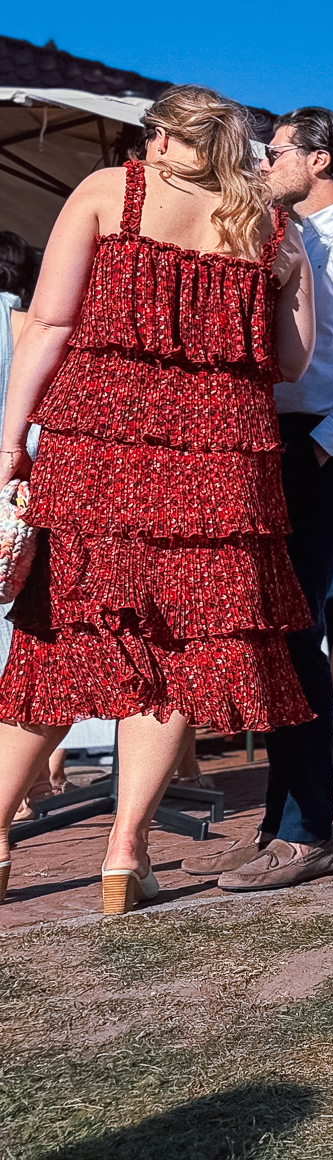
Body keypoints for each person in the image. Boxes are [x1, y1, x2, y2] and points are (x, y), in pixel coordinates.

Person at [0, 87, 317, 912]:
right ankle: (124, 851)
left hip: (99, 443)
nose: (145, 146)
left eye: (151, 133)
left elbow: (48, 324)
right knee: (185, 642)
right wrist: (288, 280)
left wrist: (10, 442)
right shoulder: (271, 225)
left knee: (60, 634)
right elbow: (291, 362)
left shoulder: (110, 191)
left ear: (170, 138)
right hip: (220, 458)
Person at [193, 107, 333, 893]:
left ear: (320, 160)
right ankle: (274, 825)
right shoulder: (275, 234)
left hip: (321, 445)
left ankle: (306, 831)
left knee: (294, 629)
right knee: (268, 633)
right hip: (264, 441)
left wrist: (327, 442)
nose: (264, 164)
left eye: (277, 151)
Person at [0, 231, 71, 821]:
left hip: (13, 479)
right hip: (25, 492)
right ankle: (38, 778)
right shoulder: (29, 323)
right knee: (29, 632)